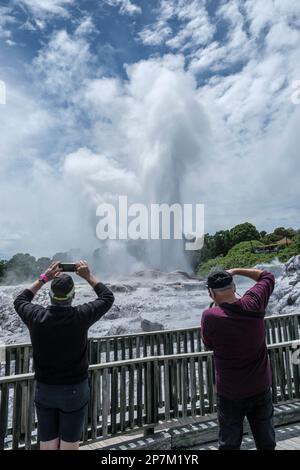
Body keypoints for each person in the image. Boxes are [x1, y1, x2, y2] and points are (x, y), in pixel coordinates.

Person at [14, 260, 114, 451]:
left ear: (50, 295)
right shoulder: (81, 316)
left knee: (47, 444)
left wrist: (44, 278)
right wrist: (88, 276)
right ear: (73, 296)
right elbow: (107, 297)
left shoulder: (36, 316)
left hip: (45, 390)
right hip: (74, 391)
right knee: (69, 445)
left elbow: (20, 300)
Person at [201, 267, 276, 451]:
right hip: (260, 387)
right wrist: (235, 270)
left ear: (211, 293)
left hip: (230, 393)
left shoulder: (209, 316)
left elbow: (209, 344)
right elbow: (267, 276)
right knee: (266, 441)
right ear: (234, 287)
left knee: (229, 444)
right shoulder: (254, 303)